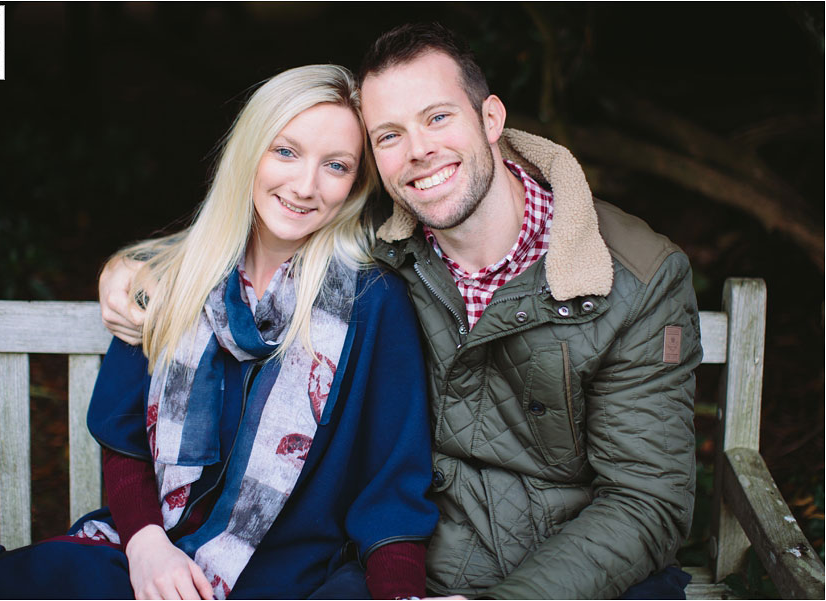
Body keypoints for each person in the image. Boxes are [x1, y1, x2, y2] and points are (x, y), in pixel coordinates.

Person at [99, 24, 703, 600]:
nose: (418, 152)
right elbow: (264, 218)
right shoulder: (377, 252)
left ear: (491, 118)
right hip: (404, 565)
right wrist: (136, 272)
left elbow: (646, 500)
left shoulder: (633, 278)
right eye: (389, 135)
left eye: (438, 117)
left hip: (570, 579)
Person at [0, 64, 439, 600]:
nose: (304, 185)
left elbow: (392, 487)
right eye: (286, 151)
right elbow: (123, 433)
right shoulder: (174, 277)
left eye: (336, 166)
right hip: (152, 555)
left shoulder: (372, 301)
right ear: (250, 152)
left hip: (290, 579)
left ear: (357, 182)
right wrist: (146, 545)